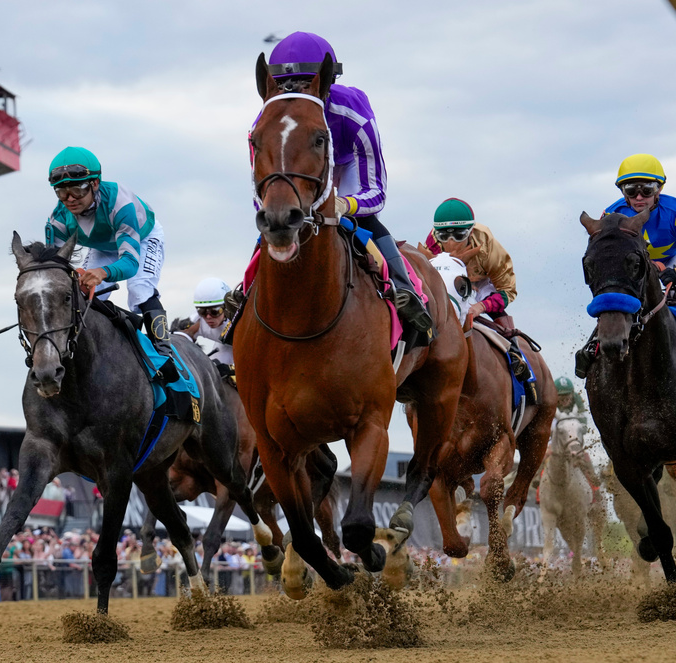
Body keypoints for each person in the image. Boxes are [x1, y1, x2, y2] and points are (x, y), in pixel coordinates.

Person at [248, 32, 431, 337]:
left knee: (364, 219)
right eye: (283, 84)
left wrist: (343, 204)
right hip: (298, 175)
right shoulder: (263, 127)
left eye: (306, 83)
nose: (293, 91)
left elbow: (375, 191)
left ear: (327, 81)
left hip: (344, 168)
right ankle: (242, 296)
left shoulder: (354, 114)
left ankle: (405, 287)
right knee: (273, 221)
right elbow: (260, 193)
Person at [575, 154, 676, 385]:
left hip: (672, 259)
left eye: (647, 190)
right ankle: (595, 344)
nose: (639, 197)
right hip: (636, 262)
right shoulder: (610, 216)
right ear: (623, 192)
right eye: (631, 190)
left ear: (659, 189)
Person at [44, 146, 179, 382]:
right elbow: (54, 270)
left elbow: (129, 264)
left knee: (139, 290)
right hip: (103, 246)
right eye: (61, 192)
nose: (70, 199)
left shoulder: (120, 205)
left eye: (77, 188)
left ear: (95, 183)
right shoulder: (57, 220)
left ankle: (164, 354)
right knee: (85, 295)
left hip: (143, 237)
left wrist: (103, 272)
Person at [421, 197, 532, 393]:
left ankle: (518, 360)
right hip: (447, 284)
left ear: (471, 232)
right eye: (444, 236)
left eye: (458, 235)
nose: (451, 243)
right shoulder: (431, 246)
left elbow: (508, 290)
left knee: (503, 323)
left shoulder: (488, 245)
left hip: (480, 285)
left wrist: (482, 306)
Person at [550, 376, 600, 500]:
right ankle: (536, 481)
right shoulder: (550, 402)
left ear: (572, 394)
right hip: (556, 438)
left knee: (584, 456)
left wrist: (576, 436)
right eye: (562, 397)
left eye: (568, 397)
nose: (565, 400)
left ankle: (595, 486)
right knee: (544, 455)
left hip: (574, 438)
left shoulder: (578, 400)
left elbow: (584, 422)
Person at [175, 277, 234, 366]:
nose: (208, 317)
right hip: (225, 347)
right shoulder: (196, 321)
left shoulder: (237, 320)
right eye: (202, 311)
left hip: (246, 345)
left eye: (215, 311)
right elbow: (177, 340)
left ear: (226, 308)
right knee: (216, 370)